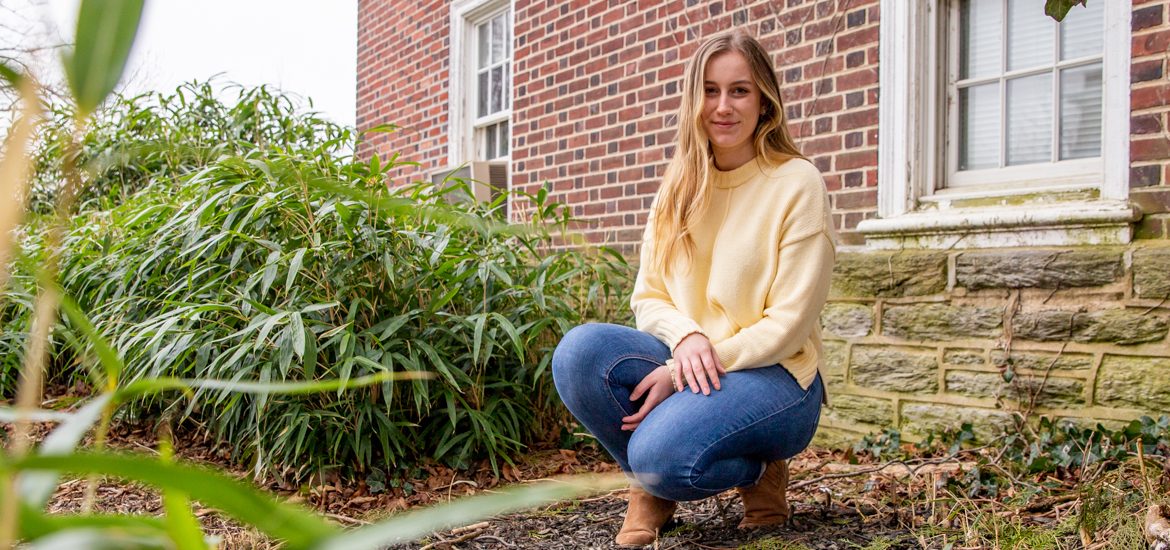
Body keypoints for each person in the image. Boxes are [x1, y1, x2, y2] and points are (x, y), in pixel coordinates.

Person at [551, 28, 836, 547]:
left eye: (739, 90)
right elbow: (649, 296)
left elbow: (788, 324)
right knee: (579, 353)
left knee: (663, 453)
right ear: (693, 99)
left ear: (765, 101)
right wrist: (684, 341)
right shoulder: (679, 185)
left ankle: (755, 471)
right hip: (694, 360)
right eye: (709, 90)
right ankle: (652, 487)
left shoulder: (797, 183)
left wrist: (679, 372)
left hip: (777, 379)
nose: (723, 106)